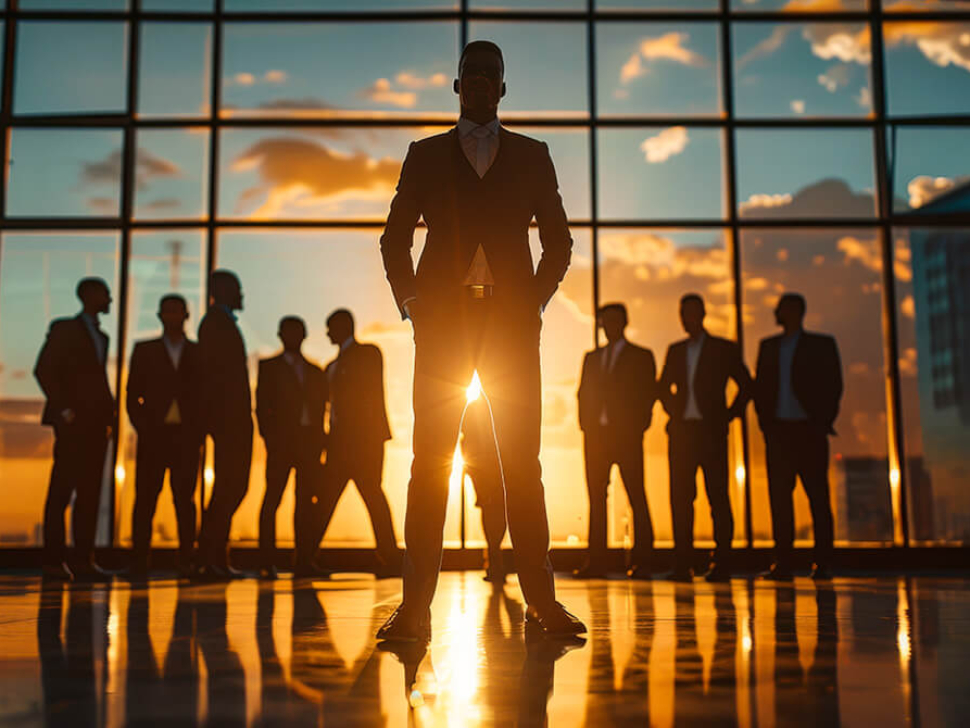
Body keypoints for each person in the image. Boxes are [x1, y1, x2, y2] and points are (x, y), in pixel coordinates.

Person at [378, 40, 584, 640]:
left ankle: (542, 604)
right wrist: (414, 305)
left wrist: (534, 302)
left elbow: (560, 242)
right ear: (457, 85)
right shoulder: (424, 155)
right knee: (428, 465)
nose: (479, 85)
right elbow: (394, 241)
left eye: (489, 77)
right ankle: (414, 609)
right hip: (443, 329)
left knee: (524, 465)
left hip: (512, 330)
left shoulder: (533, 155)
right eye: (470, 76)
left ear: (502, 88)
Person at [658, 293, 752, 582]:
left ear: (701, 314)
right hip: (683, 434)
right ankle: (682, 563)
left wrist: (727, 414)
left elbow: (746, 385)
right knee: (681, 500)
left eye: (689, 312)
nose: (685, 319)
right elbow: (662, 388)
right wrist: (675, 412)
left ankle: (722, 562)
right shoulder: (675, 350)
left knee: (718, 498)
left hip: (711, 434)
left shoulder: (723, 349)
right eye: (682, 313)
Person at [754, 293, 843, 580]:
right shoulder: (768, 347)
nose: (775, 312)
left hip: (808, 430)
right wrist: (766, 424)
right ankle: (784, 563)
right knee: (780, 500)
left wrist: (822, 421)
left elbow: (833, 385)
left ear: (795, 311)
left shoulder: (821, 345)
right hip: (779, 431)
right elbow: (761, 388)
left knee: (817, 498)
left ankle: (823, 562)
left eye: (780, 308)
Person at [34, 277, 116, 581]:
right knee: (61, 493)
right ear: (90, 296)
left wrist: (109, 416)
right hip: (73, 424)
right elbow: (43, 369)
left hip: (96, 425)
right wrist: (64, 410)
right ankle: (53, 562)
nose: (110, 299)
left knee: (90, 494)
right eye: (105, 294)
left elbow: (96, 380)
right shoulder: (65, 329)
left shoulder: (101, 336)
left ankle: (83, 561)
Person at [313, 309, 399, 577]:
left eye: (330, 328)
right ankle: (306, 556)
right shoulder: (331, 367)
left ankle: (390, 558)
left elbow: (364, 397)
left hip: (363, 443)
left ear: (342, 328)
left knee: (372, 496)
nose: (327, 333)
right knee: (332, 499)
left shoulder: (367, 354)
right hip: (339, 444)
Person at [575, 302, 657, 580]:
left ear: (623, 322)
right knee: (596, 499)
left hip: (626, 436)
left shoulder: (641, 356)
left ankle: (643, 561)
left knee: (636, 495)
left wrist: (638, 427)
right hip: (596, 437)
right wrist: (586, 426)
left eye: (613, 320)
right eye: (605, 321)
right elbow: (583, 393)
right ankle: (597, 561)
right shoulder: (592, 358)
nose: (609, 326)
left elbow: (648, 393)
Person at [126, 294, 204, 578]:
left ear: (186, 315)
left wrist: (198, 431)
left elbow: (208, 397)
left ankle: (186, 560)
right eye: (167, 311)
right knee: (146, 501)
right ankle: (138, 562)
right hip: (154, 438)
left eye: (177, 311)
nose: (172, 316)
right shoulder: (144, 350)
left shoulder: (199, 353)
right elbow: (133, 395)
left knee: (185, 502)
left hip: (186, 439)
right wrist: (145, 427)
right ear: (160, 315)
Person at [255, 316, 328, 579]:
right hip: (282, 444)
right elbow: (262, 408)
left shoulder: (314, 371)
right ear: (280, 335)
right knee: (273, 499)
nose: (293, 337)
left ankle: (304, 561)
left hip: (309, 443)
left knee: (305, 503)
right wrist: (271, 439)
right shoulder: (269, 368)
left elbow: (322, 411)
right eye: (289, 332)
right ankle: (267, 561)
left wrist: (320, 442)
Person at [196, 270, 252, 579]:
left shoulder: (221, 323)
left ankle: (213, 556)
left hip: (231, 419)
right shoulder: (216, 324)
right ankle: (210, 556)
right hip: (229, 420)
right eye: (237, 288)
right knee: (230, 487)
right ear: (224, 291)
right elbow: (215, 377)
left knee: (230, 487)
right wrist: (220, 419)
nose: (242, 294)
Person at [460, 396, 507, 584]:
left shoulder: (473, 406)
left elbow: (465, 435)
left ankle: (494, 558)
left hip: (485, 465)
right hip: (488, 465)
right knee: (495, 510)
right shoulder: (499, 406)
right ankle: (495, 557)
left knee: (491, 510)